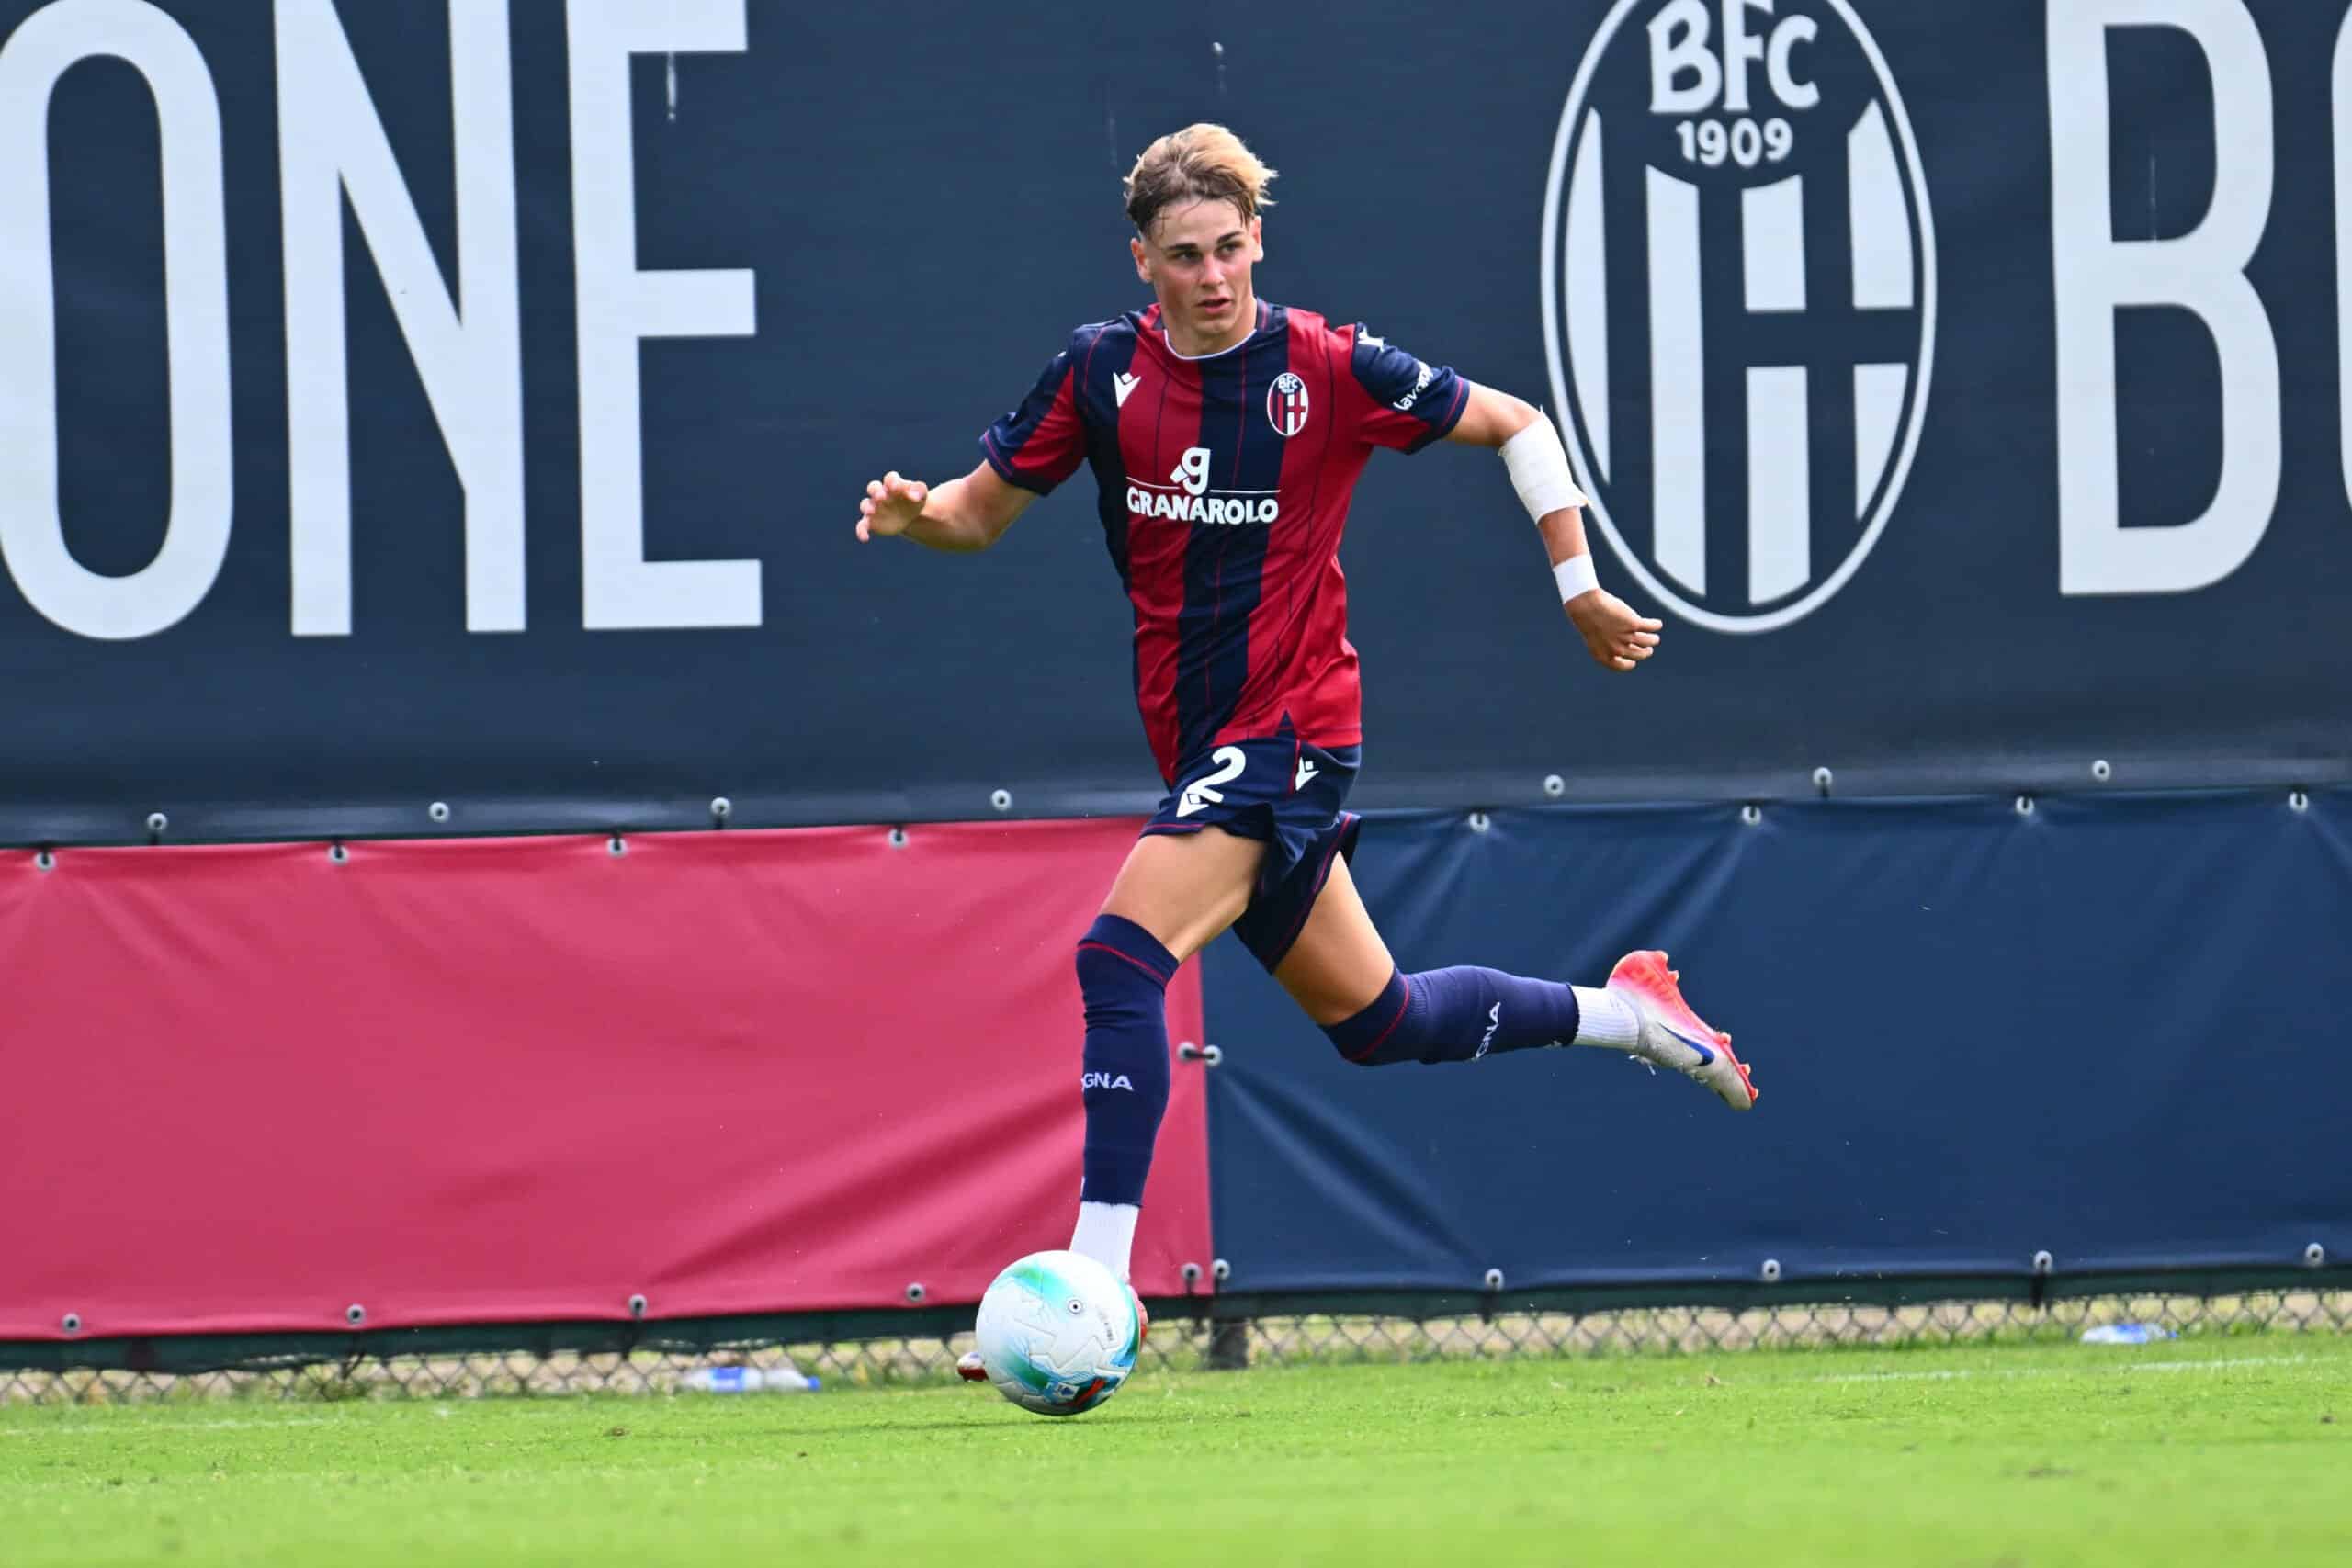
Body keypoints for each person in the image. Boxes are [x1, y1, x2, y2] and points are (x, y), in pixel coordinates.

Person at [853, 126, 1757, 1354]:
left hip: (1291, 729)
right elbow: (976, 514)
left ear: (1258, 239)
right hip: (1204, 742)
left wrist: (1578, 585)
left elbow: (1520, 424)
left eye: (1231, 248)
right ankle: (1634, 1014)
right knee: (1382, 1024)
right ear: (1144, 264)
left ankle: (1092, 1292)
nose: (1214, 275)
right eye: (1186, 256)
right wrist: (917, 521)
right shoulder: (1097, 376)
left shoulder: (1331, 367)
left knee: (1119, 961)